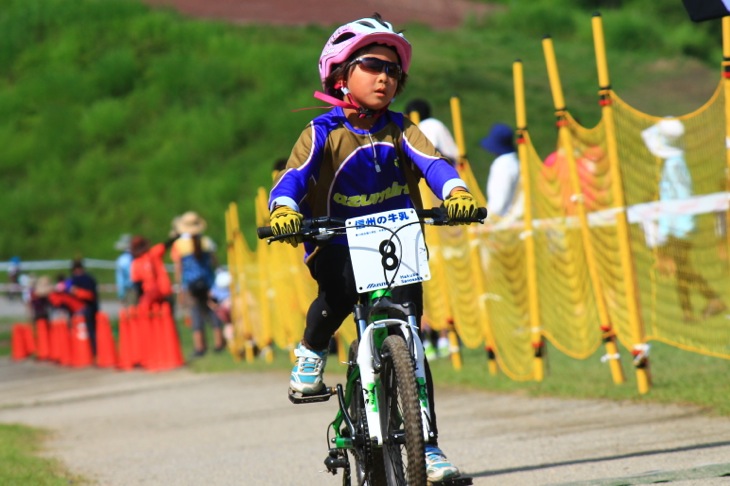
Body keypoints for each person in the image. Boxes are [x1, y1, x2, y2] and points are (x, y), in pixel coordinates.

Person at [267, 14, 478, 482]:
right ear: (340, 75)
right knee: (339, 294)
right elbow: (293, 178)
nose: (385, 77)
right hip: (335, 240)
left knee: (413, 341)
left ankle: (429, 445)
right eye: (371, 65)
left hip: (397, 237)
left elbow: (435, 165)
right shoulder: (322, 131)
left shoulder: (403, 128)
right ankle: (311, 351)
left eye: (393, 70)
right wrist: (284, 208)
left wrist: (457, 194)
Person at [641, 118, 726, 322]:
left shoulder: (674, 165)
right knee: (682, 270)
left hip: (678, 227)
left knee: (682, 269)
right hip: (675, 226)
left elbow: (680, 199)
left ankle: (713, 300)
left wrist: (668, 230)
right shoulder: (674, 163)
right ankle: (689, 312)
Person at [171, 211, 225, 357]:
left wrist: (179, 288)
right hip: (208, 283)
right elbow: (215, 262)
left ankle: (200, 347)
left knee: (196, 314)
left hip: (190, 285)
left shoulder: (179, 245)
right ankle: (219, 343)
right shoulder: (207, 242)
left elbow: (178, 269)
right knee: (213, 311)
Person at [482, 122, 523, 221]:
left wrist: (485, 221)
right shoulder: (516, 163)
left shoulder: (502, 166)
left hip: (503, 223)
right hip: (515, 219)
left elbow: (498, 204)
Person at [405, 98, 460, 165]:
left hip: (446, 165)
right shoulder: (433, 123)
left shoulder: (427, 125)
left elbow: (429, 151)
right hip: (452, 163)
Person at [129, 234, 176, 310]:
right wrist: (176, 236)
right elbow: (166, 245)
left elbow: (137, 285)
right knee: (168, 317)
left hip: (149, 295)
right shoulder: (154, 253)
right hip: (165, 290)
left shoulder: (136, 263)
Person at [67, 259, 99, 356]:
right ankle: (93, 351)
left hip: (81, 309)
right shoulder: (90, 278)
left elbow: (88, 294)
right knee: (91, 331)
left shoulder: (74, 280)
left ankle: (84, 352)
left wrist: (76, 292)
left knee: (82, 332)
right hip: (92, 307)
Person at [114, 234, 135, 307]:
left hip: (127, 290)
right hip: (137, 288)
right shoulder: (135, 258)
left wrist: (121, 294)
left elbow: (120, 280)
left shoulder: (122, 260)